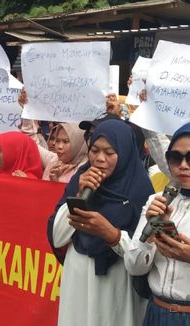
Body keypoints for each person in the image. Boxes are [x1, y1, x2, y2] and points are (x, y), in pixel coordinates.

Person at [50, 119, 153, 326]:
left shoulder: (139, 190)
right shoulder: (80, 178)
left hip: (116, 283)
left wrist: (112, 235)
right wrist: (79, 194)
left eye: (109, 153)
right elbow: (58, 237)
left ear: (124, 153)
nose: (99, 159)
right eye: (94, 150)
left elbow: (144, 258)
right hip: (78, 276)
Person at [123, 122, 190, 325]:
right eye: (175, 157)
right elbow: (134, 267)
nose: (183, 165)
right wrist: (149, 234)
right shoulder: (158, 201)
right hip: (156, 312)